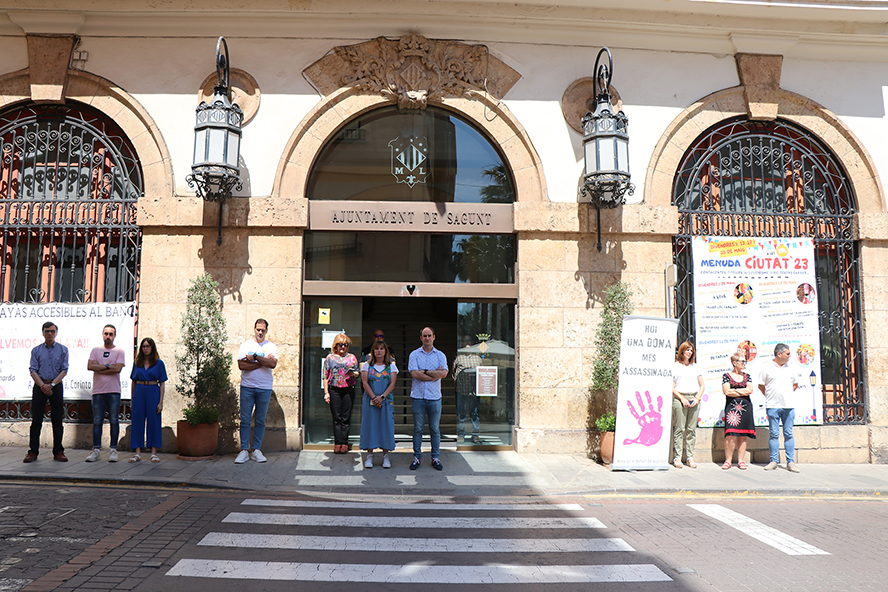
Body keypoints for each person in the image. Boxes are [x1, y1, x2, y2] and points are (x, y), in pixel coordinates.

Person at [25, 322, 69, 463]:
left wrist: (52, 384)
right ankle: (33, 451)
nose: (49, 333)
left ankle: (58, 451)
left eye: (52, 331)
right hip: (40, 385)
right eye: (47, 331)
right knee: (36, 420)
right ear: (43, 333)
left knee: (57, 420)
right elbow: (33, 370)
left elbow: (64, 370)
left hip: (56, 385)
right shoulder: (36, 350)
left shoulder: (63, 350)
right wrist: (43, 385)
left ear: (56, 333)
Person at [235, 319, 278, 464]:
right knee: (245, 420)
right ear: (254, 329)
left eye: (263, 330)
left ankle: (256, 450)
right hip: (247, 386)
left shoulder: (271, 346)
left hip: (264, 388)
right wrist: (262, 361)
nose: (260, 332)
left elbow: (272, 364)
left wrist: (254, 358)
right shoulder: (245, 345)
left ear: (266, 331)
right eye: (258, 329)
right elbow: (242, 365)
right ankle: (243, 451)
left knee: (260, 420)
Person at [408, 326, 448, 470]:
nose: (427, 338)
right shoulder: (414, 354)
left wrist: (424, 372)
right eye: (424, 336)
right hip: (418, 397)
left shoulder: (440, 355)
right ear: (421, 338)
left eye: (429, 335)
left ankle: (435, 458)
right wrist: (433, 374)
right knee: (418, 429)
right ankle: (417, 457)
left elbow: (443, 374)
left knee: (435, 429)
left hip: (434, 398)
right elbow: (414, 374)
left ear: (434, 337)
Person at [86, 324, 125, 462]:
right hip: (98, 391)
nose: (108, 336)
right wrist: (108, 365)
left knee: (114, 420)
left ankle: (113, 450)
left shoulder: (119, 351)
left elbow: (117, 369)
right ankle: (96, 450)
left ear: (114, 335)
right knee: (97, 421)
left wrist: (100, 368)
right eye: (106, 334)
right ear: (102, 334)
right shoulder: (96, 350)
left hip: (113, 391)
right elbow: (90, 366)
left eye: (111, 334)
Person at [759, 343, 800, 472]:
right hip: (772, 406)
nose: (789, 356)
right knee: (774, 434)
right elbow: (761, 386)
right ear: (779, 354)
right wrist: (771, 396)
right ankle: (773, 461)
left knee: (788, 433)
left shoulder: (791, 368)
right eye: (787, 353)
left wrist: (785, 395)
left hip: (788, 406)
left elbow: (795, 384)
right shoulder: (766, 368)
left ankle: (791, 462)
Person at [359, 340, 398, 468]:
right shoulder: (366, 365)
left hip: (386, 401)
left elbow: (392, 383)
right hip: (370, 400)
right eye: (377, 348)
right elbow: (365, 383)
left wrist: (381, 397)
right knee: (370, 426)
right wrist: (374, 398)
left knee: (386, 426)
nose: (379, 351)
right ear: (373, 351)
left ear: (385, 351)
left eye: (382, 348)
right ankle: (369, 455)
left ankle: (386, 456)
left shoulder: (391, 366)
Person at [129, 337, 167, 463]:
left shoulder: (159, 363)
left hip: (152, 391)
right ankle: (137, 452)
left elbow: (162, 383)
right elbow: (133, 382)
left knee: (154, 421)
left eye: (148, 346)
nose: (146, 348)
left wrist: (160, 402)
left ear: (152, 348)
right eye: (144, 346)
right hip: (139, 391)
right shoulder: (137, 362)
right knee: (137, 421)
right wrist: (132, 398)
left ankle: (154, 452)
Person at [323, 333, 359, 454]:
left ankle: (344, 443)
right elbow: (325, 376)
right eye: (340, 344)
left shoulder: (352, 357)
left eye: (345, 344)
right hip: (334, 389)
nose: (343, 347)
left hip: (348, 388)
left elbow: (358, 373)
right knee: (336, 417)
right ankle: (337, 443)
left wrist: (352, 374)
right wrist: (326, 392)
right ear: (335, 345)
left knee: (346, 417)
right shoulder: (330, 358)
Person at [671, 341, 704, 469]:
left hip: (693, 398)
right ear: (682, 351)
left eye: (691, 350)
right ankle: (678, 457)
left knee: (691, 429)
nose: (689, 352)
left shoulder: (695, 367)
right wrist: (681, 398)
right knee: (680, 428)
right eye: (687, 350)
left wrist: (697, 398)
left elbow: (702, 385)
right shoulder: (675, 366)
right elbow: (671, 386)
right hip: (680, 397)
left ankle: (689, 457)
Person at [721, 352, 755, 470]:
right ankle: (728, 460)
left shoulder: (747, 376)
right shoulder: (726, 375)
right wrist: (741, 390)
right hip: (732, 409)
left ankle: (741, 460)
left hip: (746, 408)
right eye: (742, 361)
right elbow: (727, 391)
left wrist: (734, 390)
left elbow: (750, 390)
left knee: (743, 435)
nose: (744, 364)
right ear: (734, 363)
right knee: (730, 435)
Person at [453, 335, 481, 444]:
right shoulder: (459, 358)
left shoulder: (478, 358)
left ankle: (476, 435)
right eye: (465, 341)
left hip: (474, 391)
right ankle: (461, 435)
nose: (467, 344)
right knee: (461, 413)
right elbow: (453, 373)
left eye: (469, 341)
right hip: (461, 390)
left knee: (474, 413)